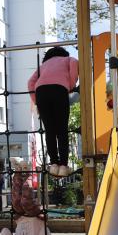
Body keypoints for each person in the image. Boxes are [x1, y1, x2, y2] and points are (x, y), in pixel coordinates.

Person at [27, 46, 79, 177]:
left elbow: (30, 83)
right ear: (63, 54)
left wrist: (37, 101)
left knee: (49, 130)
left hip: (41, 93)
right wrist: (71, 85)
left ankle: (54, 164)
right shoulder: (68, 59)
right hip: (59, 90)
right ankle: (63, 165)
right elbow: (74, 64)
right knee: (62, 130)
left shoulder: (43, 66)